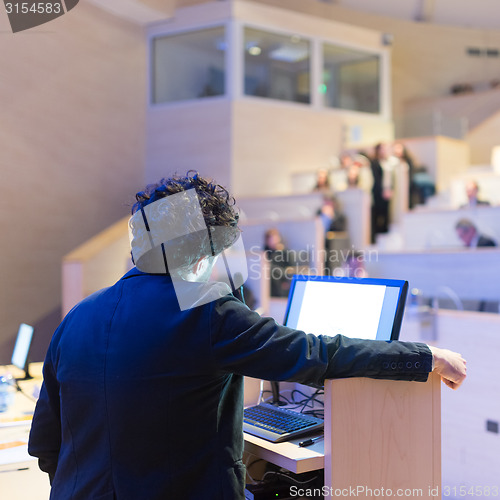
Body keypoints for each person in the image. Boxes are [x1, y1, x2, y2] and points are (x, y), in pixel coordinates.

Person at [28, 172, 467, 500]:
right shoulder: (207, 312)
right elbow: (317, 353)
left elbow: (46, 445)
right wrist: (425, 355)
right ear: (205, 251)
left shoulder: (75, 318)